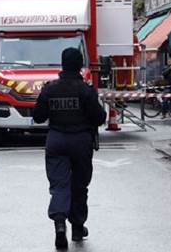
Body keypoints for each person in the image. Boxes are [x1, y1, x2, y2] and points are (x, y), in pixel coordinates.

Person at [33, 48, 106, 250]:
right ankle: (77, 226)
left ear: (62, 65)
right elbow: (100, 118)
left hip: (56, 140)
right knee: (79, 186)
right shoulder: (85, 90)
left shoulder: (50, 89)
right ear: (80, 65)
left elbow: (38, 116)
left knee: (59, 186)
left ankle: (59, 224)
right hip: (81, 141)